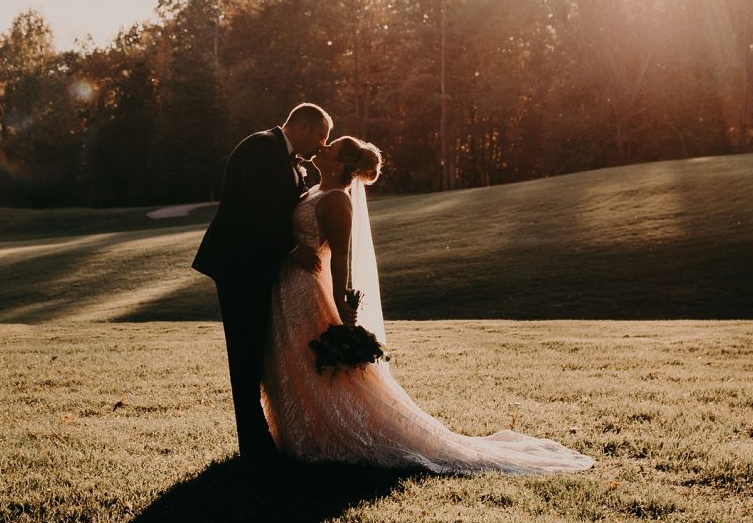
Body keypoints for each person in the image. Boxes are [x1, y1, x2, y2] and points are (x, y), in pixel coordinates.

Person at [261, 135, 593, 475]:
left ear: (340, 163)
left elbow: (341, 256)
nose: (322, 147)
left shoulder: (336, 200)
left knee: (318, 366)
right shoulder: (315, 189)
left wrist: (342, 302)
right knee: (295, 360)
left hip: (310, 289)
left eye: (330, 148)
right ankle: (302, 431)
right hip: (291, 286)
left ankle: (332, 433)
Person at [191, 103, 331, 458]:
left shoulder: (289, 160)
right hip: (239, 265)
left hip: (259, 266)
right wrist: (292, 248)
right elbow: (255, 210)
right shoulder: (260, 147)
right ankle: (254, 445)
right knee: (244, 353)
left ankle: (262, 437)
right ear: (301, 125)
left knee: (257, 351)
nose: (322, 145)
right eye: (321, 135)